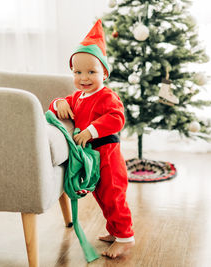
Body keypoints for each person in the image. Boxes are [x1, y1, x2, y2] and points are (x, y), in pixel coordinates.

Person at [48, 19, 135, 259]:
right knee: (101, 195)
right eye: (77, 72)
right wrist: (60, 102)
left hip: (108, 155)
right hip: (92, 157)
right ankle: (114, 230)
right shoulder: (78, 96)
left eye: (91, 72)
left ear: (104, 73)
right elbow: (54, 107)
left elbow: (116, 118)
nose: (84, 78)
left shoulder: (107, 96)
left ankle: (125, 237)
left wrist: (91, 131)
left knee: (113, 194)